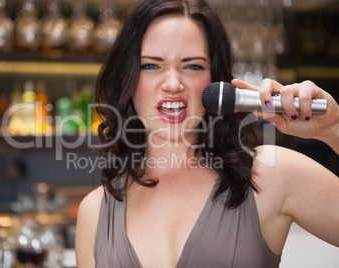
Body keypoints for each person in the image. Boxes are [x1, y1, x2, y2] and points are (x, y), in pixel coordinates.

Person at [75, 0, 339, 267]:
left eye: (192, 66)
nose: (173, 84)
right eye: (151, 65)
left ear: (215, 82)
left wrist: (333, 129)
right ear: (126, 79)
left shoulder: (272, 173)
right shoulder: (94, 212)